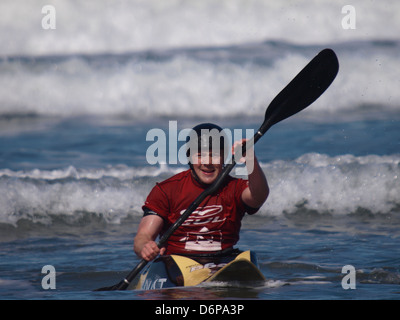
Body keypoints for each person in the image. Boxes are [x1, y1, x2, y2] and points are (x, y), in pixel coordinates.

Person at [134, 123, 269, 262]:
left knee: (249, 257)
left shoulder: (234, 187)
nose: (207, 162)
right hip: (177, 264)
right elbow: (142, 237)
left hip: (223, 260)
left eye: (215, 155)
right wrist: (145, 247)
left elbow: (258, 197)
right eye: (200, 155)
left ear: (224, 157)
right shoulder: (166, 190)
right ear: (189, 157)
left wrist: (251, 160)